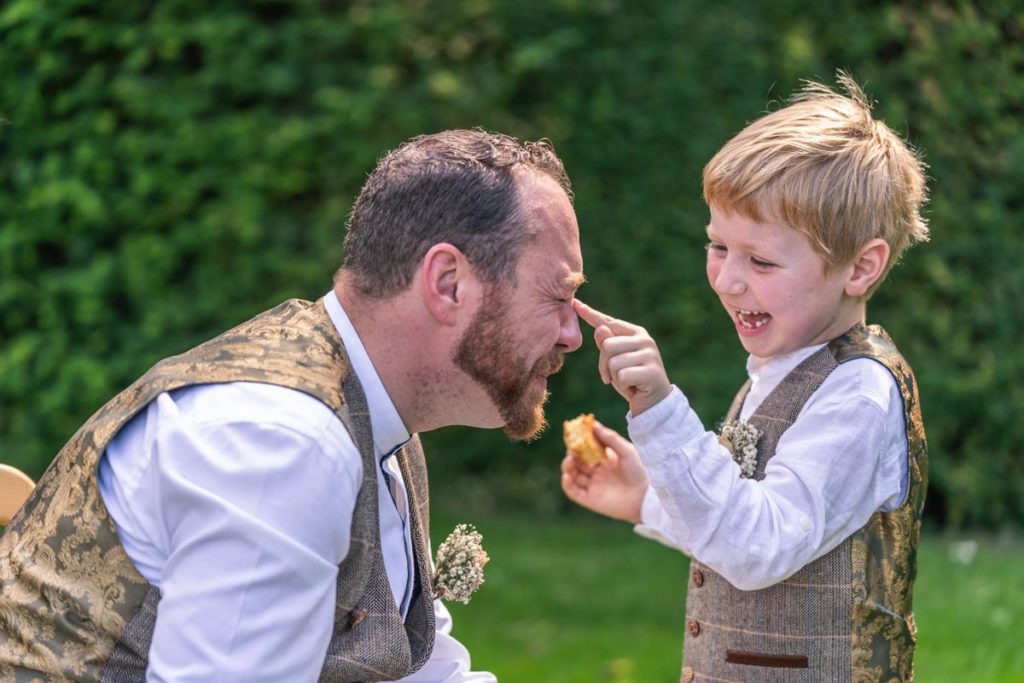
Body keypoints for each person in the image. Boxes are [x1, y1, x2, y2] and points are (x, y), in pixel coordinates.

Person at [0, 129, 586, 682]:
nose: (572, 334)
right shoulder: (281, 443)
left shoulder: (373, 420)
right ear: (448, 282)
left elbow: (419, 667)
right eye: (557, 294)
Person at [561, 75, 929, 681]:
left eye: (760, 260)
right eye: (717, 247)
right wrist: (645, 499)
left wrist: (660, 410)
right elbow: (736, 516)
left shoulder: (859, 395)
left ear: (861, 267)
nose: (729, 281)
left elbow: (759, 544)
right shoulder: (781, 369)